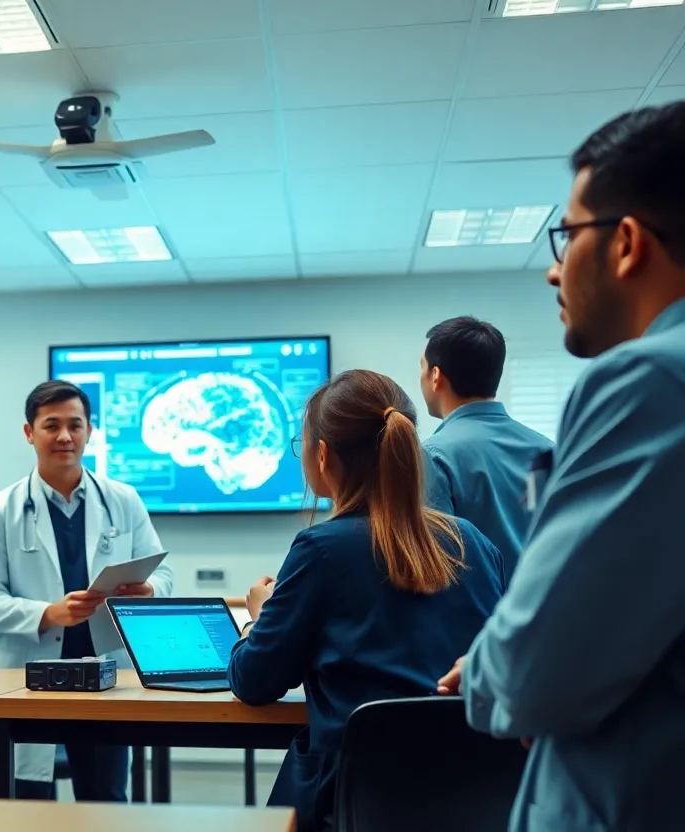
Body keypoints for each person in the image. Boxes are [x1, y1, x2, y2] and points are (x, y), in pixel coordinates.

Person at [438, 102, 685, 832]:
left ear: (628, 243)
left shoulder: (649, 383)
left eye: (568, 234)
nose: (553, 268)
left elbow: (538, 676)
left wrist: (491, 676)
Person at [228, 370, 505, 832]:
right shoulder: (473, 542)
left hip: (357, 803)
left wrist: (257, 619)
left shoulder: (321, 549)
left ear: (321, 454)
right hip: (480, 797)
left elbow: (255, 681)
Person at [0, 380, 174, 801]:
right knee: (27, 803)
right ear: (30, 433)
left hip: (108, 673)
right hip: (30, 677)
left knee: (106, 801)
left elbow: (164, 571)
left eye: (75, 425)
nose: (65, 436)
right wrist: (49, 613)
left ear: (89, 430)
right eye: (51, 425)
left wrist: (149, 589)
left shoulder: (123, 499)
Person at [420, 316, 554, 582]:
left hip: (478, 620)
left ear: (435, 376)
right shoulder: (546, 450)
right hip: (547, 613)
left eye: (422, 367)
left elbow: (434, 566)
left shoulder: (433, 456)